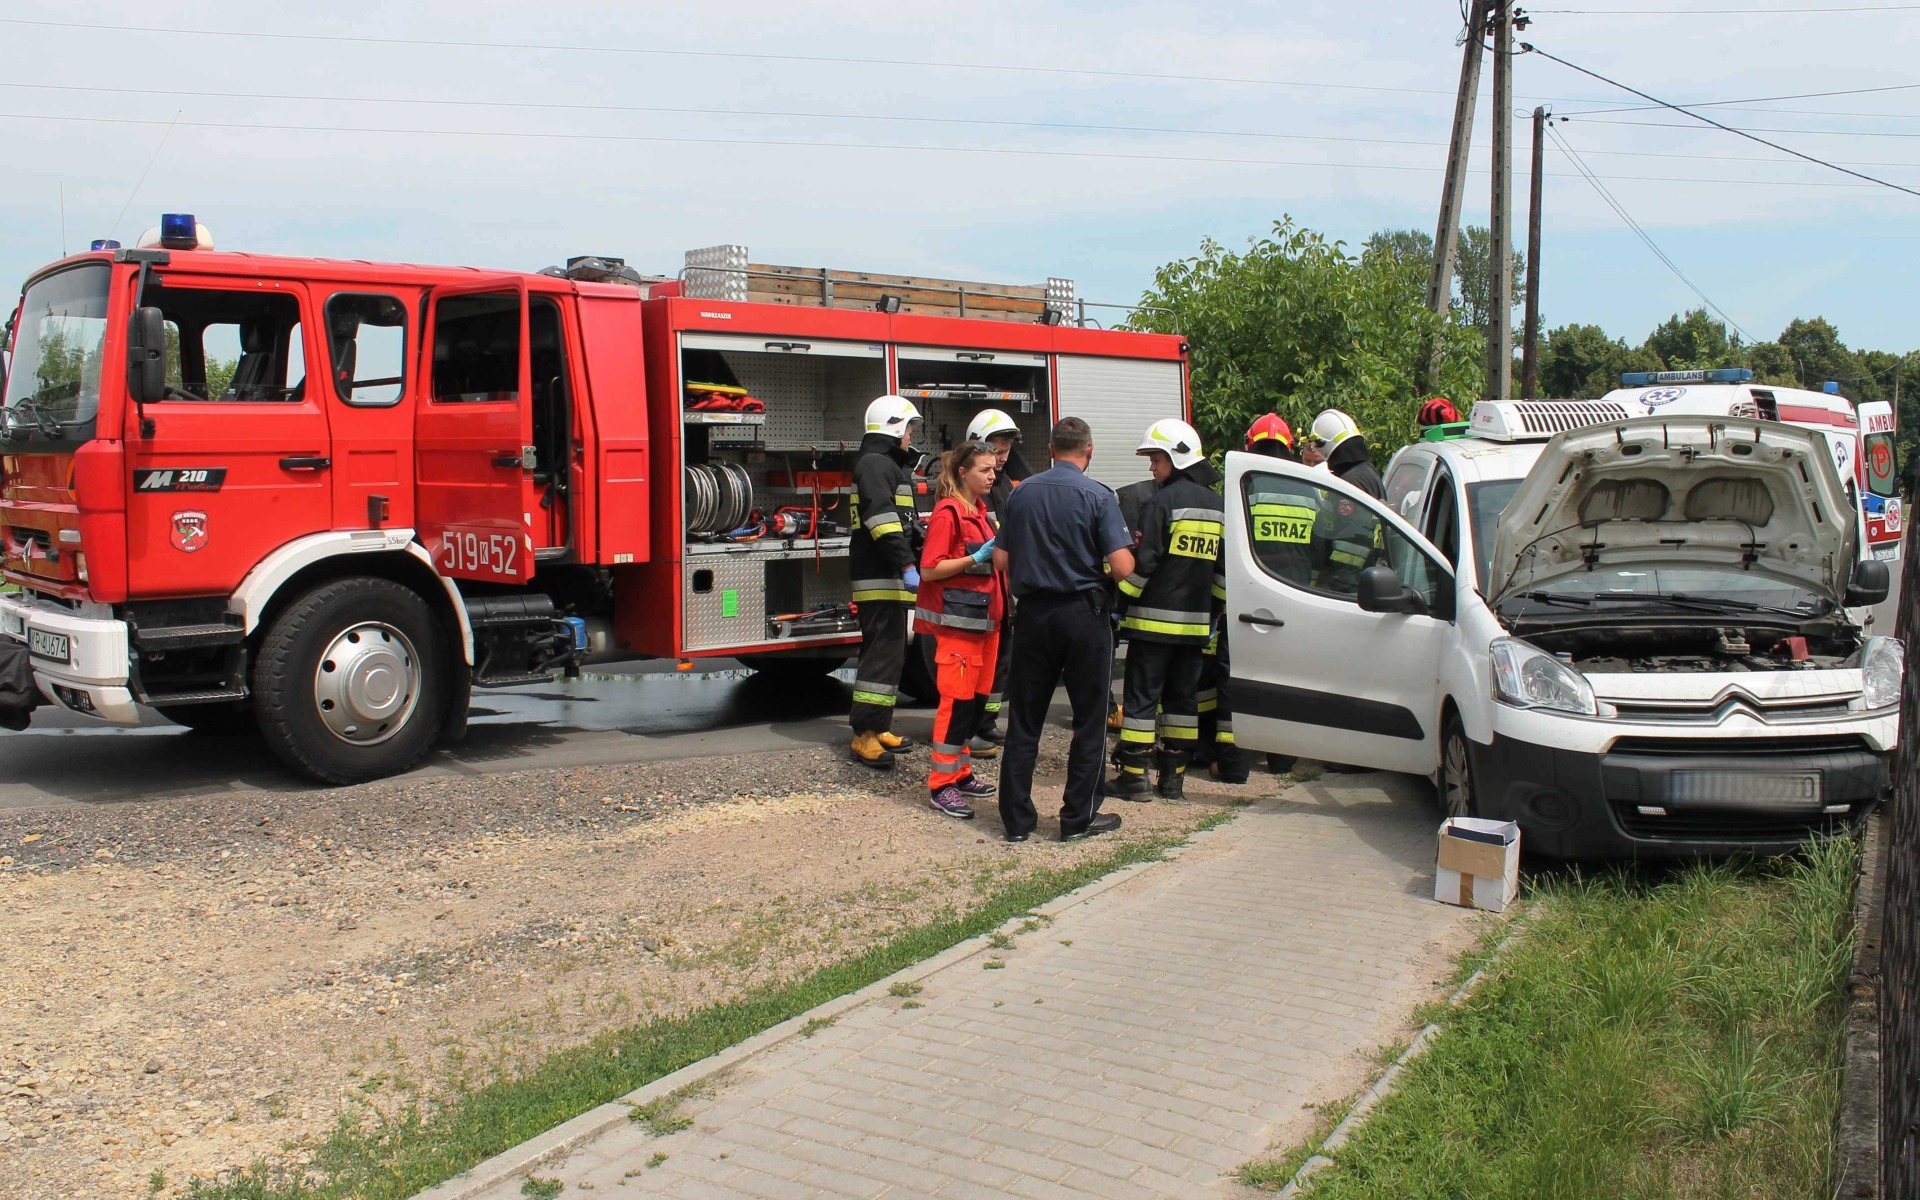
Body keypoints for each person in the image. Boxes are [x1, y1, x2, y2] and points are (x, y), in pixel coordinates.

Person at [992, 417, 1136, 843]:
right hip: (1084, 616)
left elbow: (1000, 561)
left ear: (1051, 450)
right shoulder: (1099, 496)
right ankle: (1077, 818)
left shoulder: (1021, 493)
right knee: (1089, 721)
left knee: (1024, 722)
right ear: (1089, 451)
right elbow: (1123, 567)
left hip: (1033, 616)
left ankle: (1017, 822)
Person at [1110, 418, 1224, 801]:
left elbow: (1145, 563)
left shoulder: (1162, 502)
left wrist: (1119, 600)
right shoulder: (1218, 506)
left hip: (1152, 628)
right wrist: (1213, 615)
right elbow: (1223, 573)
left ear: (1177, 458)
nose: (1152, 468)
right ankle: (1173, 782)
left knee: (1142, 701)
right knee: (1182, 704)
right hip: (1194, 631)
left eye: (1156, 459)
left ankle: (1134, 778)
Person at [914, 442, 1006, 818]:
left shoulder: (980, 513)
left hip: (985, 625)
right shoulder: (948, 513)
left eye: (994, 469)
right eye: (985, 469)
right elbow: (929, 569)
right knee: (955, 706)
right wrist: (975, 557)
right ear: (963, 473)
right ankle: (941, 785)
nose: (992, 475)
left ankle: (961, 773)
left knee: (974, 705)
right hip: (959, 628)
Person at [847, 394, 925, 769]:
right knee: (881, 656)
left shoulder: (885, 464)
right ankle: (864, 734)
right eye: (909, 429)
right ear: (894, 428)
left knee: (890, 654)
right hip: (881, 576)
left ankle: (878, 727)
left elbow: (903, 522)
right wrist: (907, 563)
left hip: (887, 576)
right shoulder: (876, 464)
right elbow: (881, 519)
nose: (911, 436)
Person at [1239, 413, 1309, 777]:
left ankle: (1242, 757)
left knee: (1249, 674)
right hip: (1298, 593)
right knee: (1290, 678)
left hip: (1252, 591)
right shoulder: (1307, 486)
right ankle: (1283, 758)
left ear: (1251, 445)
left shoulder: (1247, 484)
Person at [966, 409, 1028, 753]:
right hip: (980, 585)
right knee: (977, 660)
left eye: (1007, 450)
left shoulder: (1003, 483)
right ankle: (970, 724)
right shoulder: (971, 487)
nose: (1003, 457)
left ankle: (987, 721)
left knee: (1001, 658)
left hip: (1003, 583)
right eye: (998, 450)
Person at [1302, 408, 1384, 591]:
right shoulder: (1365, 473)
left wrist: (1340, 584)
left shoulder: (1351, 482)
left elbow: (1352, 542)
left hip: (1345, 586)